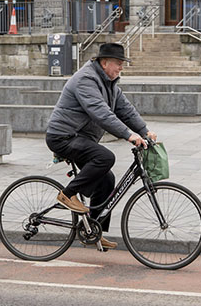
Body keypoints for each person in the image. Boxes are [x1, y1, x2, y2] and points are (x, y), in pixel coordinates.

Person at [45, 42, 157, 251]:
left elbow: (125, 110)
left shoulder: (110, 83)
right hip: (63, 136)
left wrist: (144, 131)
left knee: (107, 180)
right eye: (118, 63)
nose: (121, 67)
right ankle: (67, 194)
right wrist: (128, 135)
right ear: (104, 63)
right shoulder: (86, 79)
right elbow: (100, 113)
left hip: (79, 137)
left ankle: (92, 231)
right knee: (105, 157)